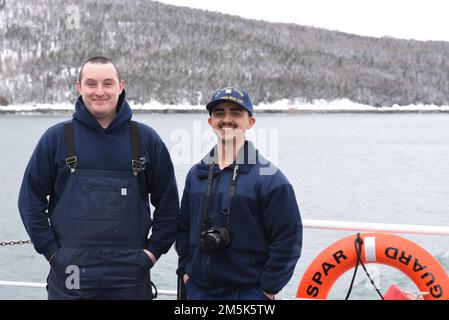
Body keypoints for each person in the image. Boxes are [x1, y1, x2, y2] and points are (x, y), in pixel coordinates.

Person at [18, 56, 179, 300]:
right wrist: (53, 253)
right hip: (70, 272)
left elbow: (168, 206)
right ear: (79, 87)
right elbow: (30, 201)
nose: (99, 91)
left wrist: (152, 253)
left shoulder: (146, 139)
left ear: (120, 86)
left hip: (130, 275)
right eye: (91, 84)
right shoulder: (56, 138)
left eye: (108, 83)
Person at [176, 87, 302, 300]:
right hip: (198, 290)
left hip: (247, 293)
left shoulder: (270, 179)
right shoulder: (196, 175)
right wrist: (186, 271)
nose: (227, 119)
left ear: (250, 122)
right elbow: (183, 228)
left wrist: (268, 288)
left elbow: (288, 239)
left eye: (235, 113)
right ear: (210, 122)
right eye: (219, 113)